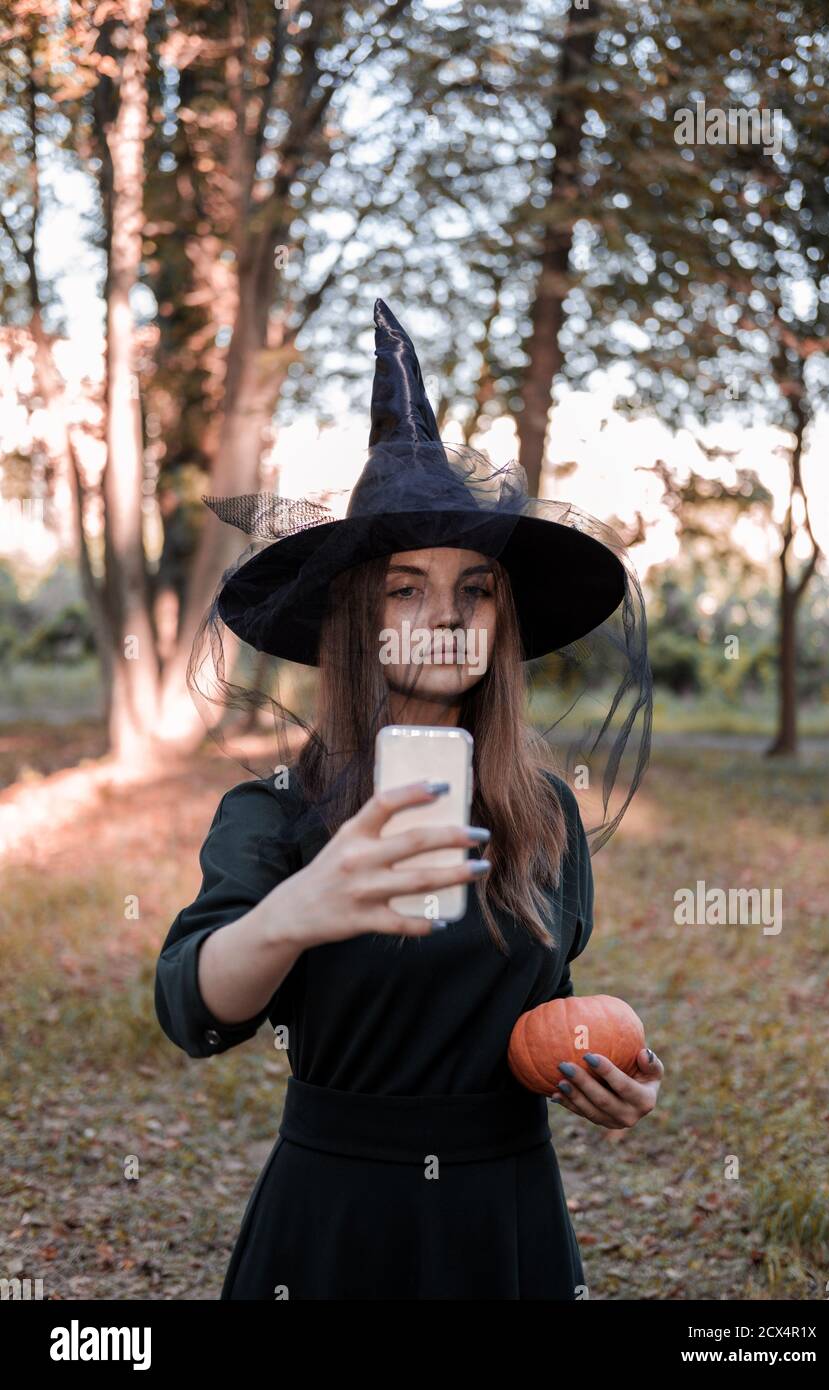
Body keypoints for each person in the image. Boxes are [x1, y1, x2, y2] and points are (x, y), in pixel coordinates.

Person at [154, 298, 660, 1300]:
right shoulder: (277, 812)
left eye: (475, 588)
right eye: (403, 589)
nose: (444, 615)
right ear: (355, 620)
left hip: (503, 1209)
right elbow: (191, 1008)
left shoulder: (545, 813)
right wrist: (298, 908)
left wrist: (602, 1067)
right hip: (335, 1215)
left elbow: (528, 1011)